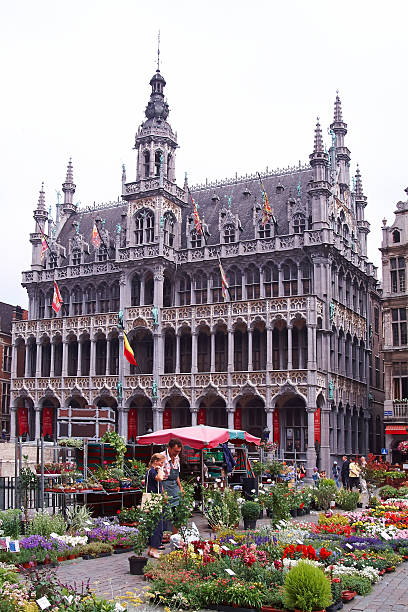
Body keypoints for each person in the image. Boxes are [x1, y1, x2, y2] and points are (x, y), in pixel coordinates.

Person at [160, 438, 184, 533]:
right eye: (175, 451)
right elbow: (159, 478)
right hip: (164, 485)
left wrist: (180, 487)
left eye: (178, 451)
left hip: (174, 486)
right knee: (165, 512)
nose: (176, 453)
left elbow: (176, 474)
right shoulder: (161, 457)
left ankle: (175, 534)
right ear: (169, 448)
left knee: (178, 511)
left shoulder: (177, 457)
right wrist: (163, 493)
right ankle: (165, 534)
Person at [146, 453, 165, 559]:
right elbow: (160, 478)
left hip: (150, 499)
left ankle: (150, 548)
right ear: (156, 461)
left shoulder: (149, 471)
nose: (162, 465)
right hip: (154, 500)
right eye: (161, 462)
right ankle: (154, 549)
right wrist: (159, 469)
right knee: (157, 525)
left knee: (151, 524)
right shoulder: (154, 471)